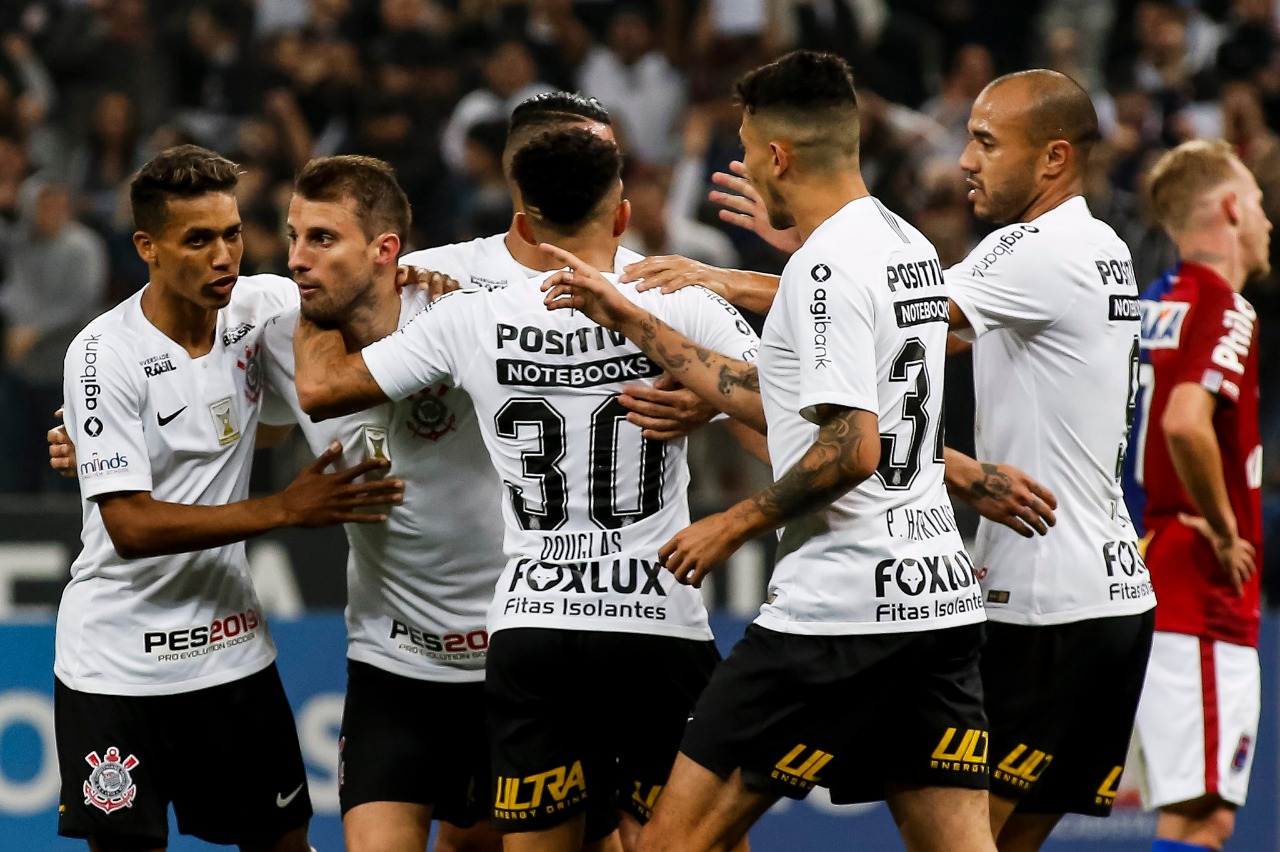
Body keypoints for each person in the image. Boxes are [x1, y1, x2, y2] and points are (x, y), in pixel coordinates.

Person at [624, 67, 1155, 851]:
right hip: (1088, 593)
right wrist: (805, 272)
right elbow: (896, 327)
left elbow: (889, 316)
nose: (965, 161)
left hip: (1037, 602)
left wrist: (738, 277)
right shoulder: (1101, 244)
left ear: (1054, 158)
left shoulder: (1035, 248)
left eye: (985, 142)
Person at [540, 50, 995, 852]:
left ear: (778, 156)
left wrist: (734, 523)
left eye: (747, 147)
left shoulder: (823, 269)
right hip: (935, 602)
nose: (744, 162)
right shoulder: (906, 243)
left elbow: (853, 447)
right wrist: (638, 323)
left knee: (674, 844)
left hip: (837, 614)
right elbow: (785, 405)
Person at [290, 127, 761, 852]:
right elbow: (786, 407)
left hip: (534, 623)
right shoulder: (682, 305)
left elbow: (323, 389)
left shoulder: (470, 317)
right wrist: (704, 391)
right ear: (623, 217)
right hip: (655, 618)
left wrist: (309, 294)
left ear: (522, 227)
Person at [54, 144, 404, 852]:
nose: (225, 256)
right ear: (147, 247)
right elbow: (129, 524)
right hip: (116, 663)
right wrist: (284, 511)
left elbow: (262, 429)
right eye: (199, 240)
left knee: (283, 843)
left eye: (233, 233)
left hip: (231, 651)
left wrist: (425, 276)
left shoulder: (264, 305)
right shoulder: (102, 353)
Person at [1129, 139, 1268, 852]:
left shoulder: (1154, 304)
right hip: (1199, 584)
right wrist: (1221, 524)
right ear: (1232, 207)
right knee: (1205, 818)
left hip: (1153, 563)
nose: (1269, 221)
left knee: (1183, 813)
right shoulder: (1224, 305)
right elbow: (1187, 422)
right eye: (1262, 202)